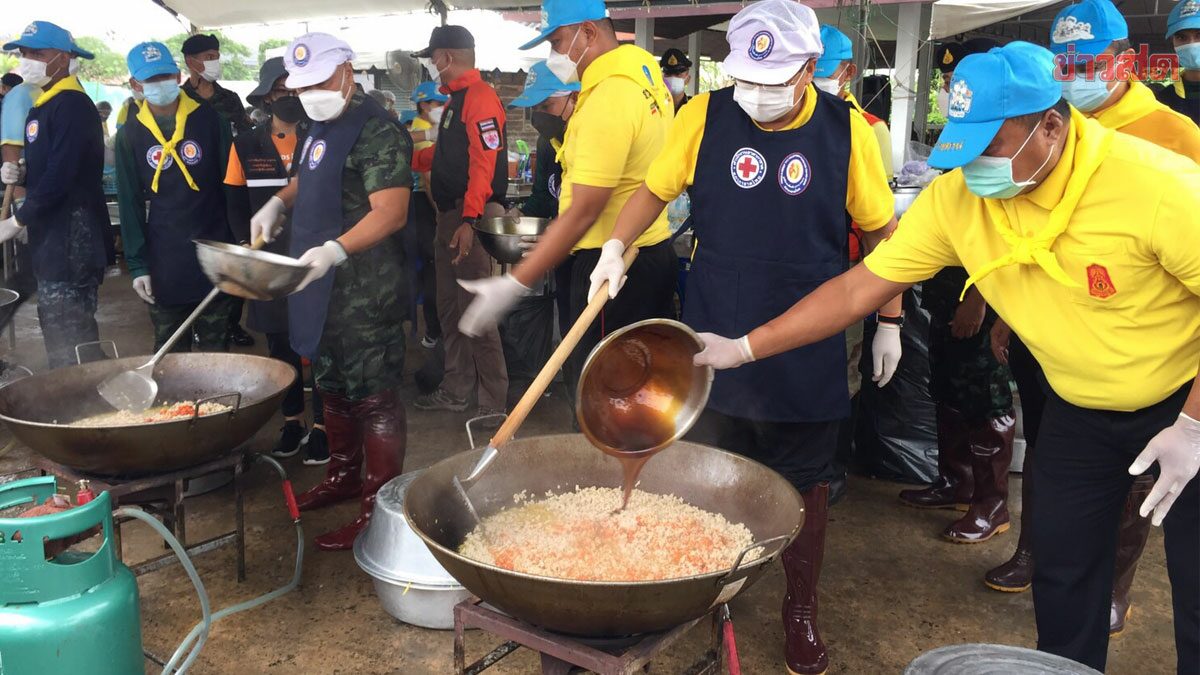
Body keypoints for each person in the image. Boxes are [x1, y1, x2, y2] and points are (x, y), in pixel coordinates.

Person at [693, 41, 1200, 674]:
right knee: (1065, 573)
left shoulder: (1157, 185)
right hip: (1080, 403)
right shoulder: (959, 197)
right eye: (967, 143)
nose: (976, 166)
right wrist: (744, 348)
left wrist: (1192, 425)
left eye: (992, 142)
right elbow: (857, 288)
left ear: (1051, 123)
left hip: (1187, 398)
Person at [595, 3, 900, 673]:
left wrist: (891, 319)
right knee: (708, 468)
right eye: (746, 79)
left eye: (774, 78)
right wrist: (617, 244)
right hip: (713, 324)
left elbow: (883, 238)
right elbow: (653, 188)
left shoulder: (847, 131)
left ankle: (800, 607)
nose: (757, 94)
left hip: (806, 333)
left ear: (812, 68)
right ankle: (710, 589)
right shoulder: (702, 115)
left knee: (805, 478)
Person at [455, 0, 678, 410]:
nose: (554, 54)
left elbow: (584, 211)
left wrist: (516, 281)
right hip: (646, 251)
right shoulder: (643, 71)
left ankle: (601, 473)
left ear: (588, 32)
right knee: (638, 393)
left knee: (604, 399)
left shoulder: (608, 96)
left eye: (557, 41)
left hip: (609, 268)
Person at [250, 33, 411, 551]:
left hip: (365, 291)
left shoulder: (378, 131)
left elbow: (391, 212)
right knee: (332, 385)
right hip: (319, 288)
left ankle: (379, 507)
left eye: (320, 81)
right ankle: (343, 477)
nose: (311, 93)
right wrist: (277, 202)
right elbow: (309, 175)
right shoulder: (319, 121)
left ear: (347, 70)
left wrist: (334, 252)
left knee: (374, 399)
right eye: (302, 86)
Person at [896, 34, 1016, 548]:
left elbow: (1004, 229)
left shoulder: (1006, 139)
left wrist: (980, 298)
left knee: (986, 401)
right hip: (945, 288)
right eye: (946, 81)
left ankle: (991, 506)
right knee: (946, 390)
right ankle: (954, 481)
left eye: (954, 81)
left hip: (980, 294)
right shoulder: (958, 132)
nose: (948, 90)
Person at [224, 56, 328, 465]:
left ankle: (322, 425)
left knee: (317, 344)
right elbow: (234, 203)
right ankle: (292, 420)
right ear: (266, 97)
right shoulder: (246, 144)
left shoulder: (320, 138)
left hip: (313, 258)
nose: (289, 98)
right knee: (280, 343)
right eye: (281, 91)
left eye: (296, 90)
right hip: (266, 259)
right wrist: (244, 247)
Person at [408, 25, 510, 418]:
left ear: (447, 56)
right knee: (450, 308)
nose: (431, 64)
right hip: (451, 217)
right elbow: (451, 156)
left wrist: (469, 219)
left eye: (433, 57)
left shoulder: (481, 98)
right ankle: (456, 387)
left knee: (477, 310)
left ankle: (492, 403)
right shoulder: (456, 101)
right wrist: (412, 156)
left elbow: (483, 164)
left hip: (472, 216)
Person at [114, 41, 237, 353]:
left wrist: (238, 246)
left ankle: (217, 403)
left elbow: (232, 186)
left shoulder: (210, 120)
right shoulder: (130, 133)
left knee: (216, 354)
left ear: (178, 75)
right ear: (135, 84)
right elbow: (129, 202)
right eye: (151, 80)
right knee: (169, 353)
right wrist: (138, 264)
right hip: (164, 256)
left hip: (214, 249)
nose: (160, 85)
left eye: (165, 76)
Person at [0, 21, 110, 369]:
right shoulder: (43, 104)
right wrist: (21, 173)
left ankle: (85, 403)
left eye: (37, 53)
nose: (27, 60)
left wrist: (18, 219)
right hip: (53, 237)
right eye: (24, 53)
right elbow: (50, 166)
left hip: (73, 237)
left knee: (70, 334)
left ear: (62, 59)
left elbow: (62, 176)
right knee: (58, 324)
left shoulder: (72, 106)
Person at [1051, 0, 1200, 162]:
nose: (1073, 80)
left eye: (1091, 67)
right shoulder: (1050, 128)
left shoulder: (1177, 134)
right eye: (1064, 69)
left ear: (1126, 62)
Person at [409, 80, 448, 349]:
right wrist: (440, 213)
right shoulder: (422, 130)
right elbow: (427, 179)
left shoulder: (430, 130)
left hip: (423, 204)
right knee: (434, 269)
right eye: (438, 102)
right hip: (425, 204)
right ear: (424, 104)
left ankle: (434, 330)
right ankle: (435, 332)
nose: (443, 107)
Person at [180, 33, 250, 136]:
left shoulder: (230, 99)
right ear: (190, 62)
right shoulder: (178, 98)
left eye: (217, 58)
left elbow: (245, 136)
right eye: (209, 57)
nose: (215, 62)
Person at [1157, 0, 1200, 124]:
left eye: (1199, 34)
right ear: (1173, 42)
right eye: (1181, 37)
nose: (1191, 44)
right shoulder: (1162, 100)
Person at [659, 47, 692, 111]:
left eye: (678, 74)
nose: (673, 78)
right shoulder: (653, 107)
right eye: (668, 74)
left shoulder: (694, 107)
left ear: (688, 79)